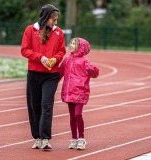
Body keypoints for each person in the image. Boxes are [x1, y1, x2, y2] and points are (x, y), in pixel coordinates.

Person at [21, 4, 66, 150]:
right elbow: (24, 50)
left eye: (57, 20)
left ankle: (45, 138)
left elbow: (62, 51)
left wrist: (55, 59)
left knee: (47, 105)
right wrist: (40, 58)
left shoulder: (59, 32)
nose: (56, 23)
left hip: (51, 75)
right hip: (34, 73)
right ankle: (37, 138)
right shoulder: (30, 30)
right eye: (54, 20)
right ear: (46, 18)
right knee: (35, 106)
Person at [59, 37, 99, 150]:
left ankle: (81, 139)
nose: (70, 45)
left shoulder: (85, 61)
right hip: (69, 92)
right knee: (72, 117)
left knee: (77, 115)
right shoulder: (66, 60)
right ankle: (74, 139)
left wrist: (91, 69)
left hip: (80, 91)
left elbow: (95, 74)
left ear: (80, 47)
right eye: (70, 43)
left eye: (73, 43)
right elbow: (60, 73)